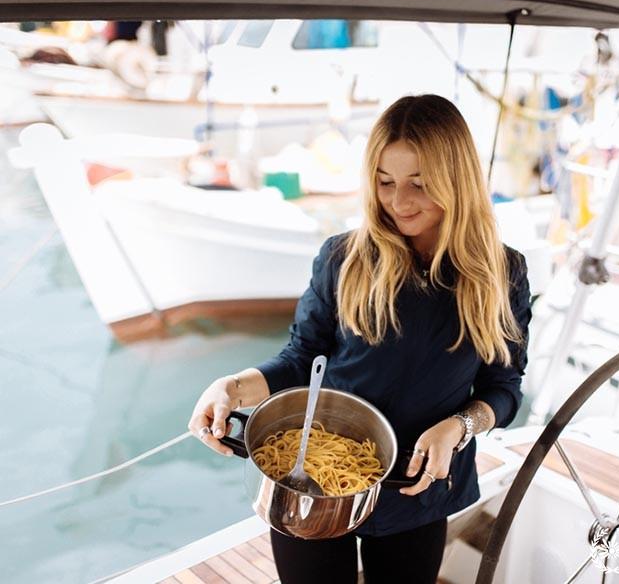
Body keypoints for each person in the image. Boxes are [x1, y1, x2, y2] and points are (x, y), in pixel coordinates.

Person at [188, 94, 533, 584]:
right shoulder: (341, 258)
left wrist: (459, 426)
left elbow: (504, 388)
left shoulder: (504, 273)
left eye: (420, 183)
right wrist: (232, 388)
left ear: (458, 179)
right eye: (385, 182)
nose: (399, 202)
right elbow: (300, 359)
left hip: (418, 488)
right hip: (313, 480)